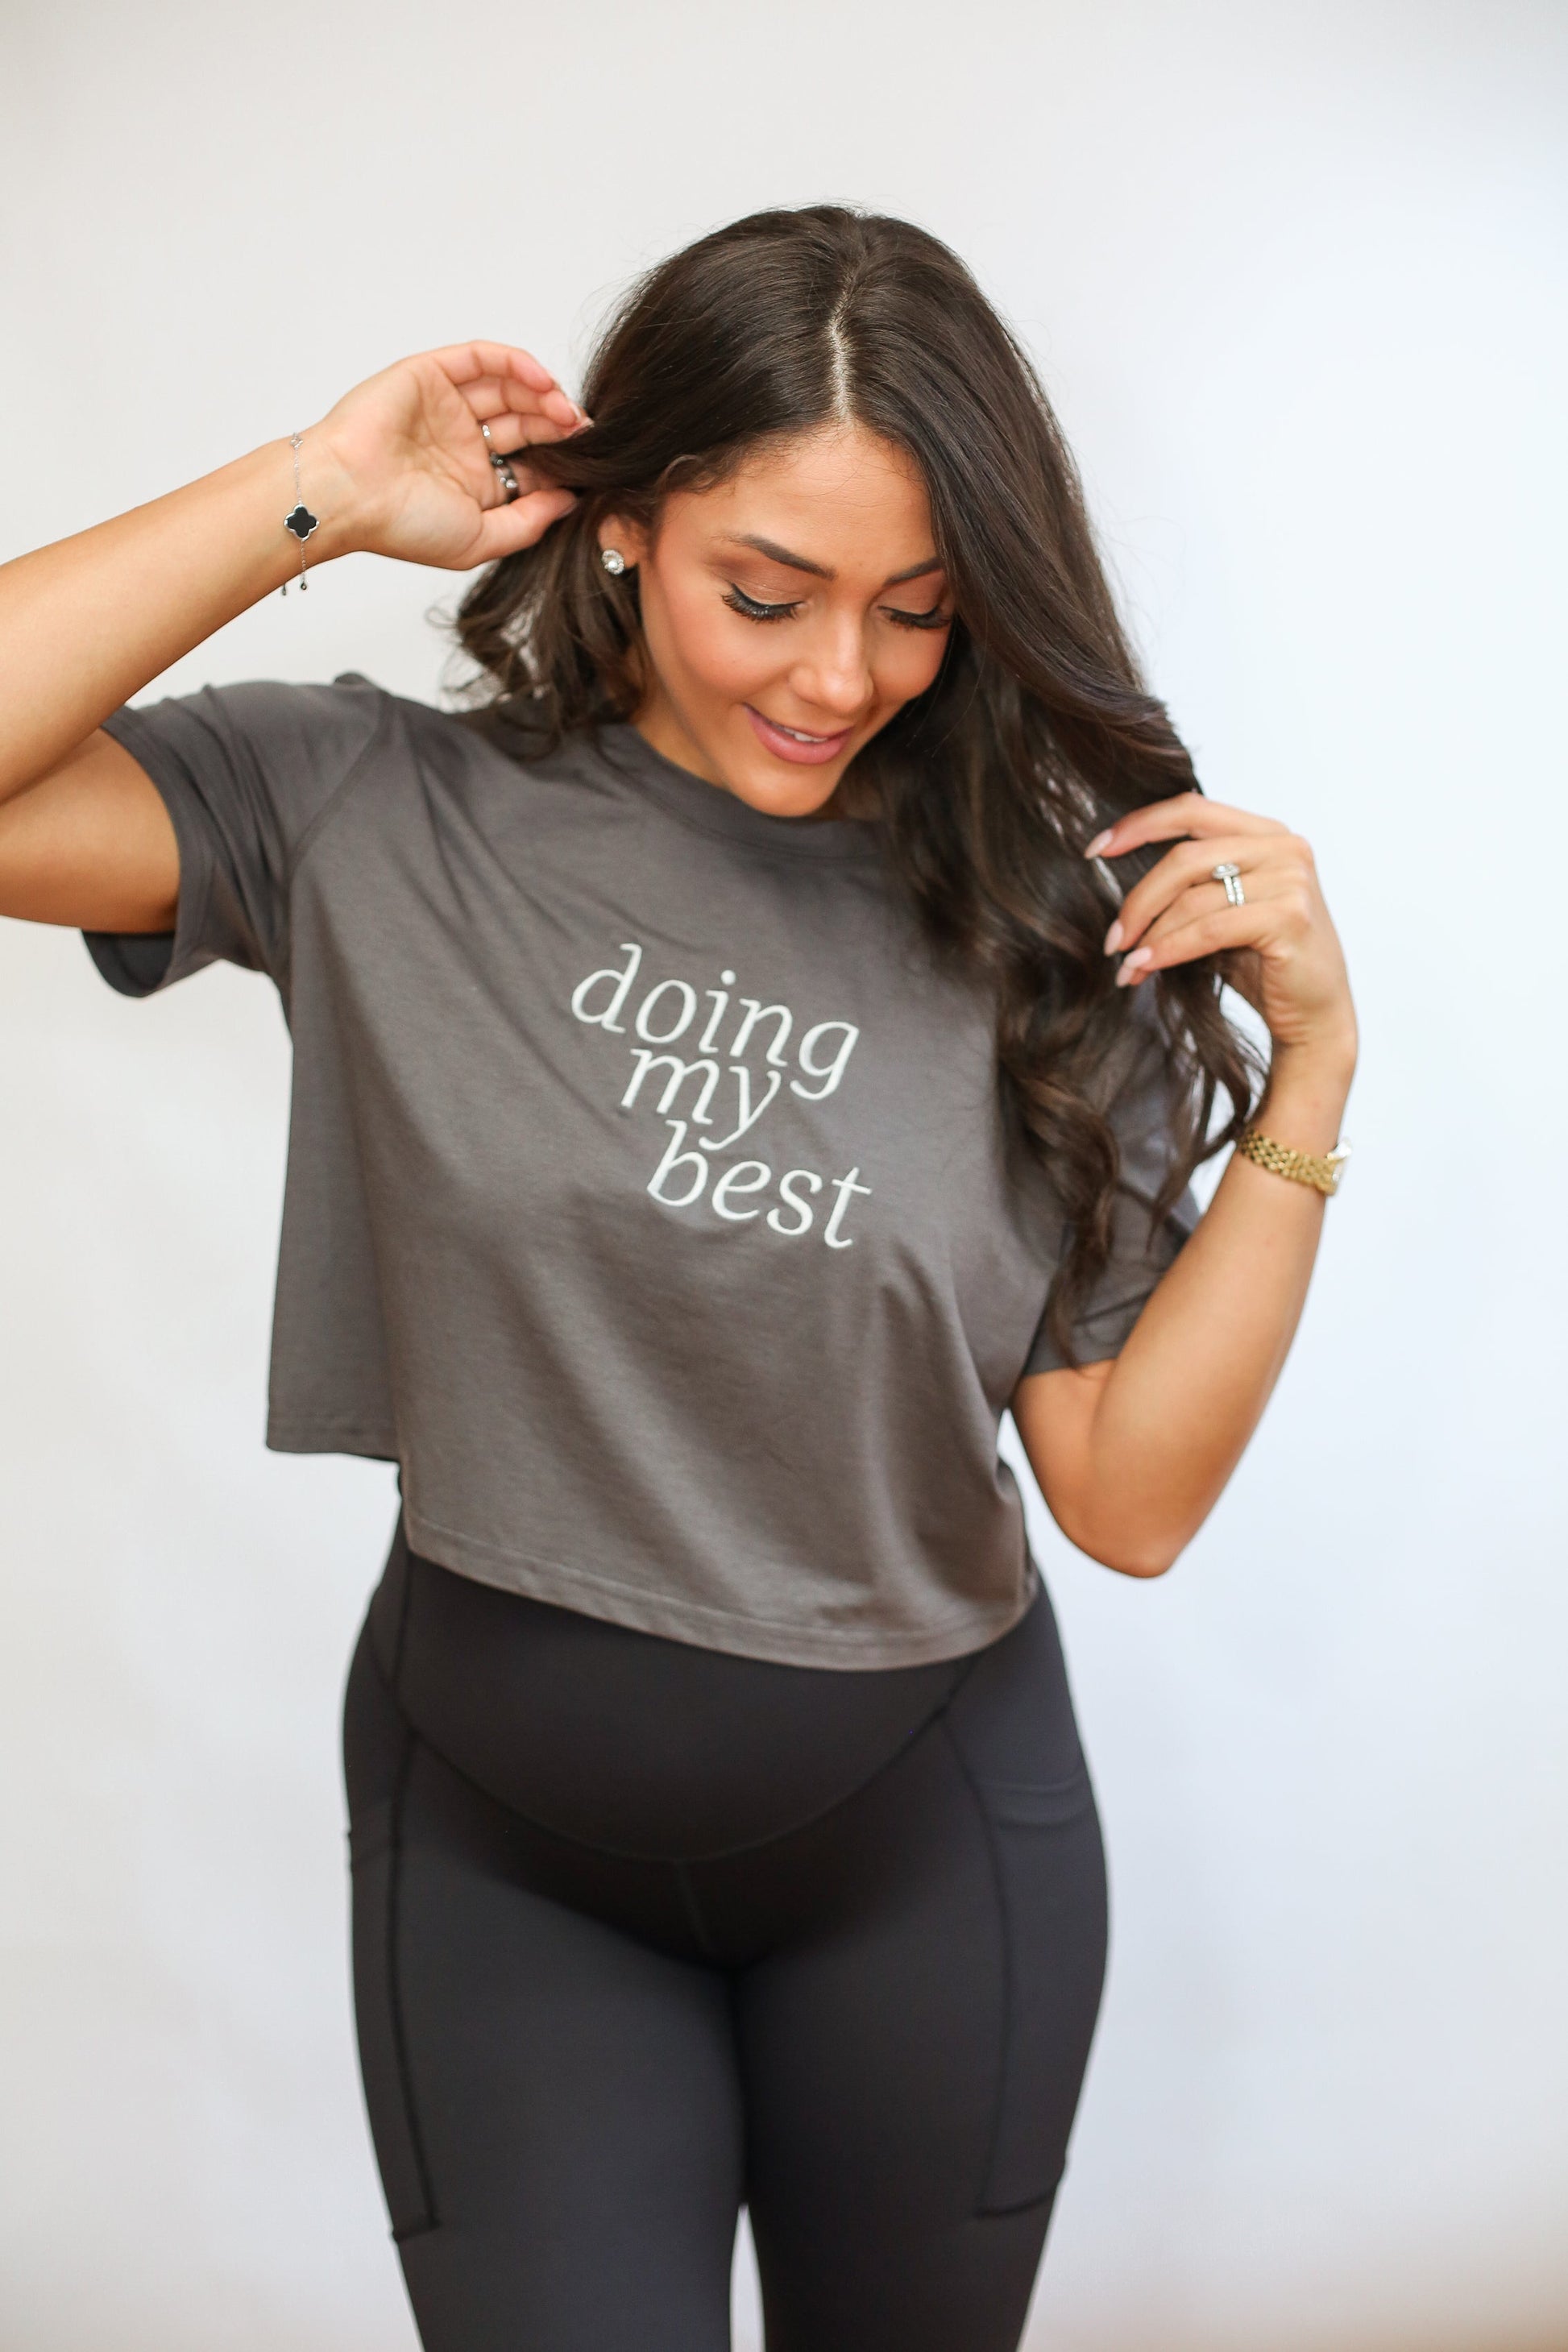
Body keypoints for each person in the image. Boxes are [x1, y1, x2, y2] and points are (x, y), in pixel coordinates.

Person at [0, 205, 1357, 2352]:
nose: (838, 680)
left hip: (926, 1857)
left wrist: (1315, 1075)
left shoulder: (1043, 928)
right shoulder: (369, 808)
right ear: (622, 525)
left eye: (917, 612)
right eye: (768, 592)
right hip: (501, 1855)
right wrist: (318, 492)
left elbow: (1128, 1498)